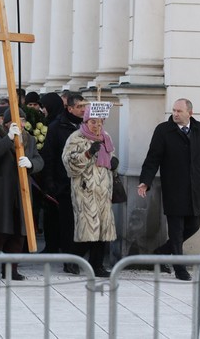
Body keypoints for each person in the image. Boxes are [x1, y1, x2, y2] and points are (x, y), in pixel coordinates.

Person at [138, 98, 200, 281]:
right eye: (174, 111)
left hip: (196, 188)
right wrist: (145, 181)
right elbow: (153, 158)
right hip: (174, 188)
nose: (175, 114)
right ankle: (180, 269)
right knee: (176, 231)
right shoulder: (163, 130)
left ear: (190, 113)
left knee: (194, 225)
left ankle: (161, 253)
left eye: (179, 111)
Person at [0, 107, 43, 280]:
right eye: (18, 121)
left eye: (23, 121)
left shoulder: (28, 138)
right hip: (2, 190)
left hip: (21, 190)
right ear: (7, 123)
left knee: (18, 232)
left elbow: (39, 159)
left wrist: (31, 164)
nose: (21, 124)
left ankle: (11, 269)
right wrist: (8, 139)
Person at [62, 104, 118, 278]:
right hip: (85, 190)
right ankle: (72, 260)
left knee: (101, 231)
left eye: (100, 122)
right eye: (93, 122)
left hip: (103, 191)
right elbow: (69, 164)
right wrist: (87, 154)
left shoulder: (105, 137)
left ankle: (97, 265)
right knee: (87, 230)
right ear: (86, 121)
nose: (97, 126)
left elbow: (110, 156)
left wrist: (114, 163)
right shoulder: (76, 138)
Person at [40, 94, 87, 269]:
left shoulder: (89, 126)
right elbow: (49, 156)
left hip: (86, 184)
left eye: (84, 106)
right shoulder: (56, 127)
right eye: (80, 106)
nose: (83, 109)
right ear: (70, 108)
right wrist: (50, 183)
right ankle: (70, 260)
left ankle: (79, 257)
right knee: (68, 225)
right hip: (65, 184)